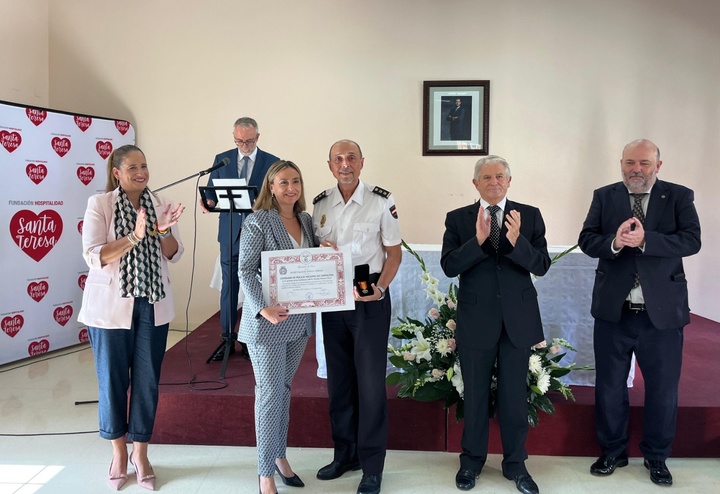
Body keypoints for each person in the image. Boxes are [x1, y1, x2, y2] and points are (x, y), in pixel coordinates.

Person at [579, 139, 701, 486]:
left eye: (644, 163)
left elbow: (692, 240)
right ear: (620, 163)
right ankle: (613, 451)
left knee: (663, 389)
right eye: (630, 162)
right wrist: (615, 243)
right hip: (613, 312)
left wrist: (647, 240)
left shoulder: (679, 196)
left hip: (661, 313)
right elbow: (587, 239)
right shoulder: (605, 196)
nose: (636, 169)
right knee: (609, 386)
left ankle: (657, 456)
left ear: (658, 166)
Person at [78, 144, 185, 491]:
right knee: (112, 382)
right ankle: (118, 453)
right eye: (133, 167)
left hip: (152, 305)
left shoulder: (158, 203)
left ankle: (141, 452)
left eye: (145, 166)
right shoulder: (101, 204)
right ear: (117, 172)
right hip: (110, 309)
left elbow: (174, 254)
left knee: (146, 381)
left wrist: (163, 231)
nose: (141, 172)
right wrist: (135, 236)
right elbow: (94, 256)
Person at [440, 155, 549, 494]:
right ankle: (471, 462)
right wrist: (478, 242)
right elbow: (449, 266)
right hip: (476, 321)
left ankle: (515, 464)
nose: (494, 182)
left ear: (509, 180)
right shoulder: (458, 219)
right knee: (474, 396)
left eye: (500, 176)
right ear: (476, 183)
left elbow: (541, 265)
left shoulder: (528, 216)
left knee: (514, 398)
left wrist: (518, 243)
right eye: (486, 177)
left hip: (517, 320)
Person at [312, 140, 401, 494]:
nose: (345, 164)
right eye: (338, 159)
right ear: (330, 164)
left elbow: (393, 254)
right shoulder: (319, 204)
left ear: (362, 163)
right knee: (339, 383)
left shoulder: (382, 201)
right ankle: (344, 454)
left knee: (370, 386)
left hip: (368, 298)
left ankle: (372, 465)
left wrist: (379, 288)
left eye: (351, 158)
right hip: (333, 300)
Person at [238, 160, 315, 494]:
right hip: (267, 324)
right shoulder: (258, 221)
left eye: (295, 181)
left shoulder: (306, 220)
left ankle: (280, 456)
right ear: (270, 187)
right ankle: (264, 473)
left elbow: (310, 266)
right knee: (269, 395)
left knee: (283, 391)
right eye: (283, 182)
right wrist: (262, 309)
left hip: (298, 323)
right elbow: (244, 270)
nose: (290, 188)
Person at [203, 117, 280, 362]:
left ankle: (252, 336)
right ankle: (227, 336)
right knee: (229, 285)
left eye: (248, 141)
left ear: (258, 137)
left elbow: (278, 198)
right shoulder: (221, 159)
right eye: (238, 141)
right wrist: (209, 202)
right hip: (230, 233)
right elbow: (212, 192)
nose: (243, 145)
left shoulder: (272, 162)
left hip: (261, 234)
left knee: (258, 285)